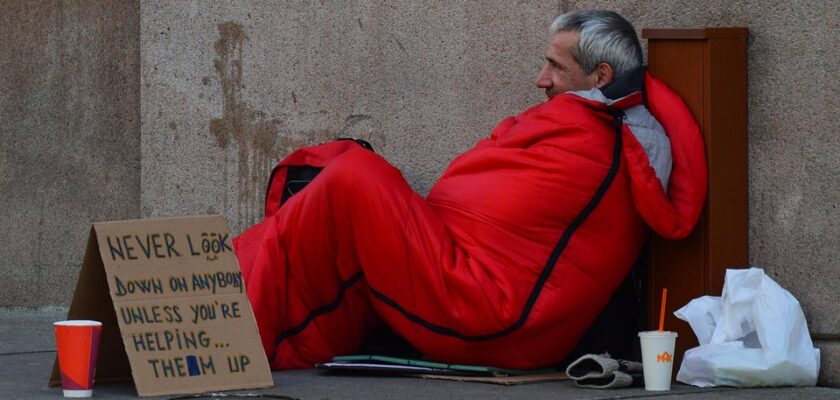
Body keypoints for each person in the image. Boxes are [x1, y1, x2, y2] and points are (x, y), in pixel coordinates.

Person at [234, 10, 707, 371]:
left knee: (355, 176)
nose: (541, 80)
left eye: (555, 67)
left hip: (492, 314)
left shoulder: (601, 144)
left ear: (600, 77)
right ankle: (219, 284)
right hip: (470, 280)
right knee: (336, 173)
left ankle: (234, 328)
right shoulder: (591, 128)